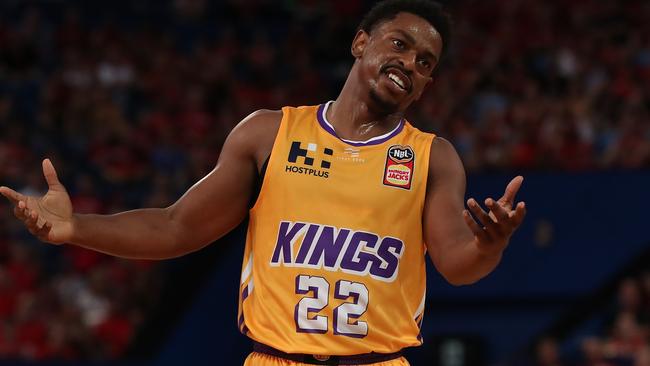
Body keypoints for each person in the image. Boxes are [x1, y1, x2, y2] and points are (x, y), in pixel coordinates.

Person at [0, 0, 526, 365]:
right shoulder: (269, 133)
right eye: (400, 44)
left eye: (424, 62)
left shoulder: (433, 158)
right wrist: (75, 229)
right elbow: (176, 227)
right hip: (275, 361)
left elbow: (458, 265)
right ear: (361, 42)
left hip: (379, 363)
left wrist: (490, 246)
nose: (409, 63)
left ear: (427, 84)